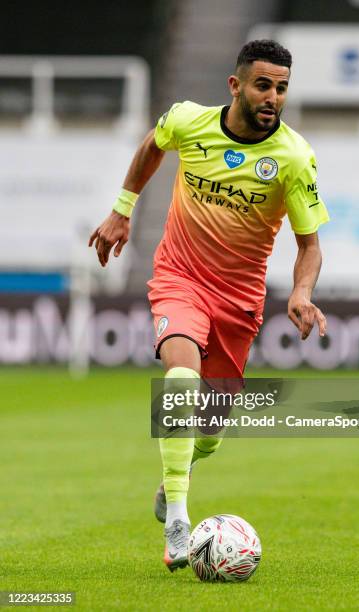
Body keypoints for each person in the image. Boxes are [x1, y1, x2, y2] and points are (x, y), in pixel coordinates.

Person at [89, 39, 329, 572]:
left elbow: (309, 245)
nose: (273, 97)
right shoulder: (190, 121)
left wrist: (303, 291)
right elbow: (155, 141)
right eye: (263, 85)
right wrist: (122, 208)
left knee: (211, 431)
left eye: (282, 88)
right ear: (236, 85)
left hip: (239, 300)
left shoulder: (292, 157)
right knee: (181, 381)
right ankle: (178, 518)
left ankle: (181, 470)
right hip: (179, 278)